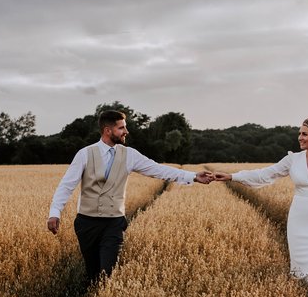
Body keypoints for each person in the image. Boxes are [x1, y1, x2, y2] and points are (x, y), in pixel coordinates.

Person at [49, 110, 214, 283]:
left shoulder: (130, 155)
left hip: (114, 223)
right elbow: (67, 185)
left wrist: (193, 176)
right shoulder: (84, 154)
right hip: (87, 223)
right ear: (107, 130)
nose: (126, 132)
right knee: (92, 273)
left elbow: (159, 170)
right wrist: (55, 212)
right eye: (121, 128)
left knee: (107, 273)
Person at [212, 117, 308, 292]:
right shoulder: (292, 160)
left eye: (304, 134)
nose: (299, 138)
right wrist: (232, 176)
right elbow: (265, 174)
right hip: (299, 222)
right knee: (300, 269)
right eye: (299, 134)